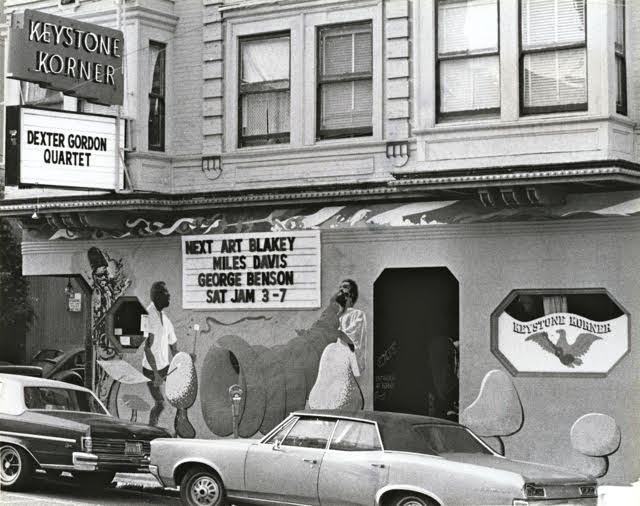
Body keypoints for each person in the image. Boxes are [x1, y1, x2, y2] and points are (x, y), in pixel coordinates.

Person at [143, 281, 178, 426]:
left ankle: (179, 425)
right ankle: (151, 429)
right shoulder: (148, 315)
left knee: (179, 393)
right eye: (165, 292)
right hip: (151, 371)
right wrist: (156, 375)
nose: (169, 295)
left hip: (164, 367)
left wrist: (185, 359)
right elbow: (147, 348)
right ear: (157, 296)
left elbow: (174, 348)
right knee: (160, 404)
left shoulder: (166, 319)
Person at [335, 279, 367, 370]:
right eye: (340, 288)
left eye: (345, 287)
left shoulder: (358, 314)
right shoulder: (337, 316)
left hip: (349, 365)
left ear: (352, 294)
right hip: (335, 363)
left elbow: (350, 339)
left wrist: (330, 331)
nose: (341, 290)